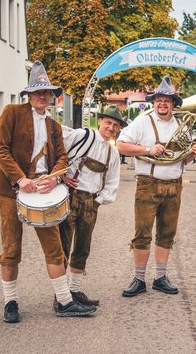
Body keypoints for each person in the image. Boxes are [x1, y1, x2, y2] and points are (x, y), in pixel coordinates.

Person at [0, 60, 96, 323]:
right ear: (29, 94)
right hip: (10, 190)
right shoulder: (12, 112)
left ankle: (64, 301)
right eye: (38, 91)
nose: (42, 96)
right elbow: (0, 149)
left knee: (54, 248)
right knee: (11, 249)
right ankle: (10, 303)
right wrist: (20, 179)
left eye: (47, 92)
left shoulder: (54, 126)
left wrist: (55, 178)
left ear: (51, 96)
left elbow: (62, 158)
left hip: (43, 190)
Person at [116, 75, 196, 297]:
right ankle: (139, 279)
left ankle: (160, 277)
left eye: (167, 100)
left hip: (174, 185)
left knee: (167, 233)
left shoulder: (180, 125)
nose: (162, 104)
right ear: (153, 103)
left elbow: (180, 158)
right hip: (148, 183)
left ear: (174, 103)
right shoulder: (143, 121)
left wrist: (192, 155)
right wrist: (147, 149)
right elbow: (121, 145)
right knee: (142, 233)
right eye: (159, 100)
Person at [58, 105, 125, 307]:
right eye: (108, 123)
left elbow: (113, 180)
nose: (111, 128)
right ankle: (61, 295)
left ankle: (74, 291)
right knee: (63, 247)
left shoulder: (113, 152)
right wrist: (60, 176)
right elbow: (57, 151)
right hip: (70, 197)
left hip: (91, 202)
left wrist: (98, 200)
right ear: (100, 122)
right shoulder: (82, 135)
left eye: (115, 125)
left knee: (82, 247)